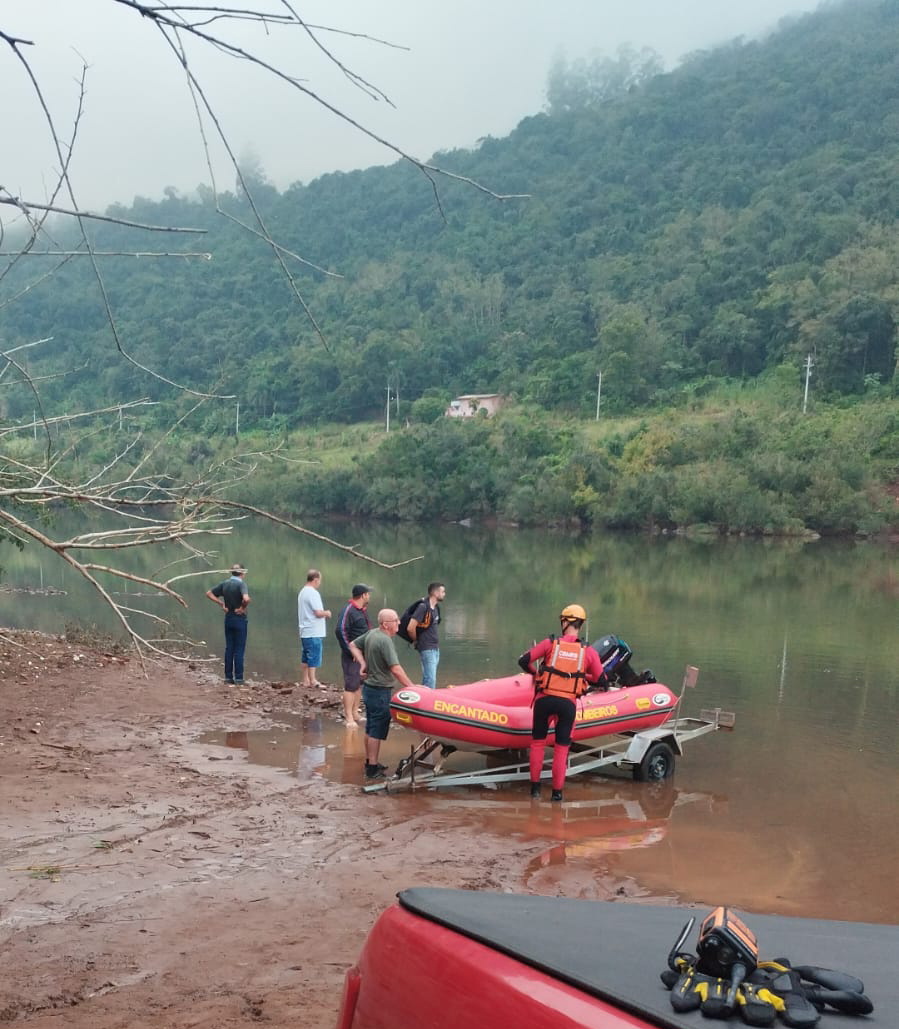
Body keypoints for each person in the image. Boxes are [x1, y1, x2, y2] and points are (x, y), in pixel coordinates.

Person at [517, 603, 604, 803]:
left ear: (565, 622)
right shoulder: (587, 651)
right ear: (580, 624)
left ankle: (535, 791)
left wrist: (538, 673)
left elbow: (524, 661)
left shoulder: (550, 643)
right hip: (567, 704)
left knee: (538, 744)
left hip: (544, 700)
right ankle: (557, 795)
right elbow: (601, 680)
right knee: (561, 748)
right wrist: (581, 676)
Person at [348, 608, 420, 780]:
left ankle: (370, 762)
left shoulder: (372, 634)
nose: (399, 623)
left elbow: (352, 645)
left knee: (371, 726)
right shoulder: (384, 641)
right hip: (380, 690)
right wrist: (412, 687)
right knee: (376, 730)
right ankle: (372, 768)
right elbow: (395, 669)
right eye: (396, 620)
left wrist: (362, 663)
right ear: (386, 624)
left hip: (369, 688)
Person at [334, 583, 372, 727]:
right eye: (368, 593)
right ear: (363, 595)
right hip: (352, 655)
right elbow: (340, 631)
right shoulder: (348, 610)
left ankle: (356, 712)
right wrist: (351, 650)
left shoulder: (361, 610)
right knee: (351, 685)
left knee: (359, 684)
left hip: (363, 654)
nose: (369, 596)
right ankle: (348, 716)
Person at [205, 563, 250, 685]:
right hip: (239, 619)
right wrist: (242, 608)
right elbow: (246, 599)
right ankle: (239, 678)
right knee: (239, 649)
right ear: (242, 573)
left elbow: (209, 593)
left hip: (228, 617)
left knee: (229, 648)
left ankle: (228, 677)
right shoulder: (241, 584)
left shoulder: (225, 584)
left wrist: (221, 604)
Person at [407, 581, 446, 689]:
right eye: (442, 591)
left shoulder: (436, 608)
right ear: (435, 593)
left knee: (428, 678)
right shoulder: (423, 607)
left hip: (435, 648)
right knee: (430, 680)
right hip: (426, 648)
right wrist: (416, 640)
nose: (444, 594)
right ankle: (427, 703)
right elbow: (410, 627)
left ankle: (422, 699)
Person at [297, 569, 331, 688]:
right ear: (315, 580)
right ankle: (313, 680)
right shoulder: (313, 593)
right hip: (313, 630)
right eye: (319, 581)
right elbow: (317, 612)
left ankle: (305, 680)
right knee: (314, 655)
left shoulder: (302, 592)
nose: (319, 583)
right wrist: (327, 613)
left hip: (305, 630)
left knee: (306, 656)